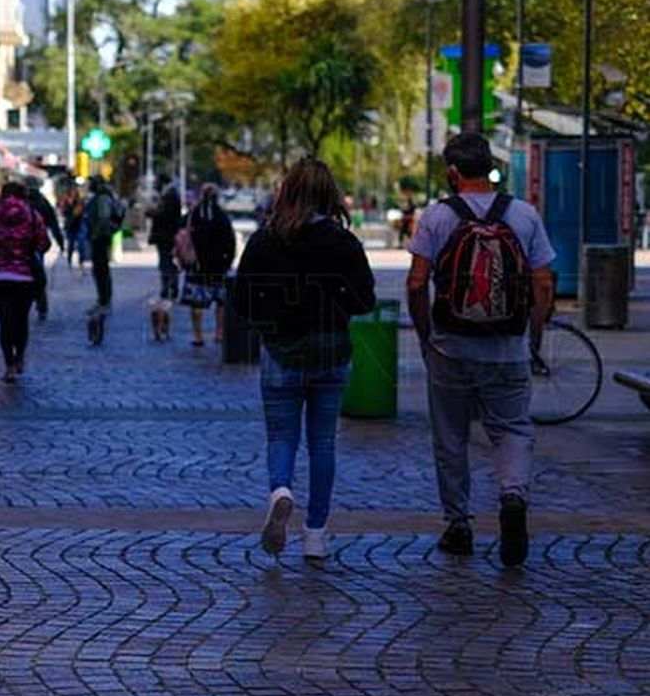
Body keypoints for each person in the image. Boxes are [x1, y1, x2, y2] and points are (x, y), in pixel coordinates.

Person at [407, 131, 555, 567]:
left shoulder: (436, 217)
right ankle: (512, 495)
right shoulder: (524, 215)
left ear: (453, 172)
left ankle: (459, 526)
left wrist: (425, 332)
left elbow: (417, 282)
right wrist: (532, 333)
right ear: (490, 166)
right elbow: (544, 281)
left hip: (450, 347)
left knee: (450, 435)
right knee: (512, 429)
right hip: (507, 348)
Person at [233, 158, 375, 561]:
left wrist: (270, 318)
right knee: (322, 442)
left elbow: (242, 299)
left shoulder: (265, 240)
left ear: (287, 191)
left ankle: (281, 490)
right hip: (330, 352)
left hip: (281, 352)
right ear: (330, 194)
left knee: (281, 437)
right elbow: (365, 298)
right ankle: (316, 534)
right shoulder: (344, 243)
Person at [0, 181, 50, 383]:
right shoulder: (32, 215)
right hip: (25, 278)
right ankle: (20, 357)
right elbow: (44, 243)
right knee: (21, 320)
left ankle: (8, 365)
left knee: (5, 321)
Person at [184, 183, 236, 348]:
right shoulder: (222, 216)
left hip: (197, 266)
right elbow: (230, 242)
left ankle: (198, 335)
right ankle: (219, 332)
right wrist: (228, 261)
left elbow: (182, 235)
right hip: (218, 266)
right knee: (220, 301)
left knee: (196, 302)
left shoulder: (193, 215)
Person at [24, 176, 65, 319]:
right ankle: (42, 305)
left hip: (19, 245)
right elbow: (53, 224)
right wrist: (60, 242)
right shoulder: (43, 202)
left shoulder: (20, 203)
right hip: (37, 245)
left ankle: (26, 303)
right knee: (38, 274)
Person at [84, 176, 123, 310]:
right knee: (101, 269)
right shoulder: (103, 196)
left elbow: (103, 217)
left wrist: (95, 234)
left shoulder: (101, 198)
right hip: (101, 237)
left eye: (91, 183)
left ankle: (104, 298)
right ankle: (104, 298)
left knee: (100, 269)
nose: (89, 185)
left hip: (100, 238)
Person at [148, 173, 183, 301]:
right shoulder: (169, 194)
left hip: (166, 236)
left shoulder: (170, 195)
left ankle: (168, 288)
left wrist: (153, 212)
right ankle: (170, 287)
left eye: (156, 182)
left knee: (166, 262)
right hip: (167, 235)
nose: (155, 184)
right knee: (167, 261)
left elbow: (165, 215)